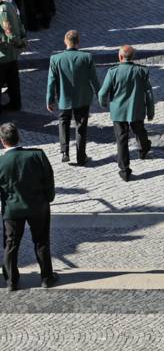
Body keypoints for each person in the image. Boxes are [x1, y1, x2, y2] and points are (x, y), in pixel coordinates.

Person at [0, 122, 57, 289]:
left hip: (12, 209)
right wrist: (49, 198)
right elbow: (49, 179)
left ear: (3, 141)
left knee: (11, 245)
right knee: (41, 241)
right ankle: (46, 277)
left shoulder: (1, 162)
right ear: (18, 137)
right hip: (38, 207)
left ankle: (11, 281)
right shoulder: (37, 155)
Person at [97, 45, 154, 182]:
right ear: (132, 57)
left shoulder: (113, 72)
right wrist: (150, 110)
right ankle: (144, 148)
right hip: (137, 108)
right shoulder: (141, 71)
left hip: (118, 111)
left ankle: (124, 170)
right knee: (140, 130)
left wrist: (103, 104)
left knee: (121, 140)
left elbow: (102, 93)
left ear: (120, 57)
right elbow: (149, 93)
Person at [45, 30, 99, 166]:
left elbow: (51, 82)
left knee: (63, 123)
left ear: (65, 41)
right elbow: (94, 79)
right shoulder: (87, 57)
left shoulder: (55, 59)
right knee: (81, 126)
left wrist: (50, 100)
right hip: (82, 98)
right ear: (78, 41)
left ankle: (65, 152)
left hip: (64, 98)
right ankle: (81, 156)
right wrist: (100, 95)